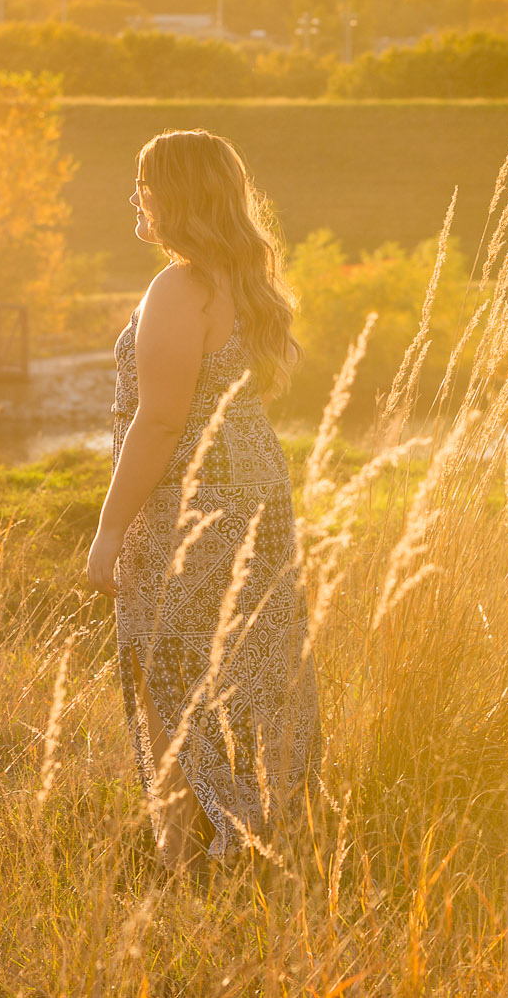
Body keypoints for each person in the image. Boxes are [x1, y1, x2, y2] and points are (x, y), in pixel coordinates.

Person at [83, 129, 320, 869]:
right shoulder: (242, 277)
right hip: (257, 487)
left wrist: (109, 527)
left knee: (168, 667)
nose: (134, 197)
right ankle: (261, 830)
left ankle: (184, 850)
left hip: (193, 498)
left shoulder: (179, 286)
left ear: (175, 197)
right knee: (253, 664)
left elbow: (160, 419)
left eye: (145, 185)